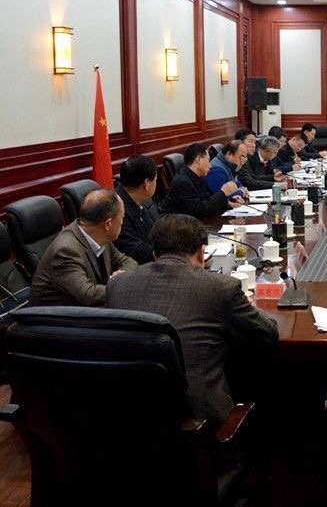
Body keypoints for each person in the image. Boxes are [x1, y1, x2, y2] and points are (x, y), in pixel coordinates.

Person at [106, 214, 278, 427]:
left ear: (155, 253)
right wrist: (249, 305)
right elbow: (268, 333)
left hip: (130, 417)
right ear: (201, 253)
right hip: (201, 424)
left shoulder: (117, 285)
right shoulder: (221, 287)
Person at [30, 189, 137, 308]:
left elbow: (128, 261)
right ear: (108, 224)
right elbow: (87, 295)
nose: (122, 222)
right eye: (122, 218)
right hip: (56, 316)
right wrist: (119, 283)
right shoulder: (66, 251)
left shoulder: (100, 235)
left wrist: (121, 277)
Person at [161, 143, 237, 218]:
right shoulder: (182, 182)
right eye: (208, 160)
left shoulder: (199, 176)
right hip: (172, 223)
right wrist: (223, 193)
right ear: (199, 160)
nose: (210, 165)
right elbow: (199, 210)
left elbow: (207, 199)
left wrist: (227, 203)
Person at [115, 155, 160, 264]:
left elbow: (153, 233)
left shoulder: (139, 199)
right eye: (155, 180)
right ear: (146, 184)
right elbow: (136, 251)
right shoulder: (116, 209)